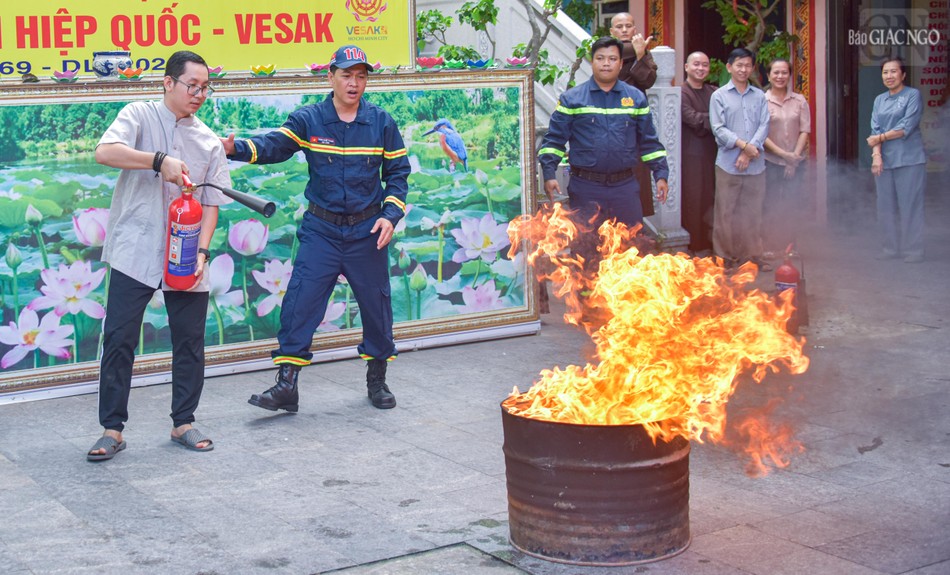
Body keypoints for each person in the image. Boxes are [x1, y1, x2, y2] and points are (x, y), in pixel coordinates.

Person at [221, 45, 410, 411]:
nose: (354, 83)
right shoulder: (310, 119)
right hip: (321, 230)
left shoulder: (382, 123)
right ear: (331, 77)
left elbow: (399, 174)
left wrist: (390, 214)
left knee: (376, 306)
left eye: (361, 76)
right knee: (300, 302)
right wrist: (236, 148)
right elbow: (275, 145)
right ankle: (286, 385)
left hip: (367, 231)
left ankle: (377, 379)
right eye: (346, 75)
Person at [87, 50, 231, 461]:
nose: (199, 94)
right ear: (168, 83)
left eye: (206, 88)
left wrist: (203, 250)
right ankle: (112, 429)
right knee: (119, 338)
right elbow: (105, 151)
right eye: (192, 86)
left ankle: (183, 421)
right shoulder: (139, 115)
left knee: (189, 340)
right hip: (136, 246)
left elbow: (212, 202)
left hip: (186, 252)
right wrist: (159, 161)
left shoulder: (207, 140)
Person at [539, 36, 669, 270]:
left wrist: (661, 173)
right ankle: (586, 303)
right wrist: (549, 174)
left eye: (612, 59)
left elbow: (649, 142)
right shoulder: (572, 99)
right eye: (600, 58)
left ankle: (627, 302)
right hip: (586, 187)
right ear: (592, 62)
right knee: (586, 250)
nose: (606, 63)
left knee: (630, 247)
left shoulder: (635, 98)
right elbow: (554, 140)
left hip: (625, 188)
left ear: (621, 64)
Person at [710, 47, 772, 271]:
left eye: (748, 65)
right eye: (739, 65)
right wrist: (743, 146)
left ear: (752, 68)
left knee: (753, 212)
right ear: (729, 67)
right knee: (725, 213)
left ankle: (752, 256)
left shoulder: (760, 96)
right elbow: (718, 128)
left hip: (756, 164)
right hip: (727, 164)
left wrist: (749, 150)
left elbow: (765, 125)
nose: (744, 69)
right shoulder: (719, 96)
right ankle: (725, 258)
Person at [869, 56, 926, 263]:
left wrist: (880, 138)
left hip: (910, 159)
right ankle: (890, 248)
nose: (889, 76)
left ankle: (913, 250)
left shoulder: (913, 95)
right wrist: (876, 155)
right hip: (884, 160)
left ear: (903, 74)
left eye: (893, 71)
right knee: (884, 205)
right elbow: (874, 129)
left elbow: (906, 126)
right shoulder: (879, 100)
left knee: (910, 205)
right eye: (885, 72)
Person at [609, 11, 660, 219]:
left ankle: (636, 229)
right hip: (611, 124)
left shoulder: (644, 52)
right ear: (612, 31)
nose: (624, 30)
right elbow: (614, 82)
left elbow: (648, 81)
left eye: (628, 26)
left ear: (634, 29)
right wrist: (638, 54)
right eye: (619, 27)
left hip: (636, 126)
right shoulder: (607, 53)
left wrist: (640, 57)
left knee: (637, 174)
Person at [762, 58, 811, 257]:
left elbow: (805, 130)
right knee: (770, 203)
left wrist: (794, 158)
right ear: (768, 76)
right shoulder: (762, 101)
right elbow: (761, 134)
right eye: (776, 72)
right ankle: (770, 246)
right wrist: (783, 155)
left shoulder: (799, 100)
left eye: (784, 72)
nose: (780, 76)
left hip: (797, 161)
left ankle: (792, 246)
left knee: (793, 203)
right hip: (770, 161)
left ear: (790, 75)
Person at [680, 51, 718, 256]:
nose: (701, 68)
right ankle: (694, 245)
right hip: (691, 155)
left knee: (711, 197)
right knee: (694, 198)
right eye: (696, 64)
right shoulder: (680, 93)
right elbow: (692, 118)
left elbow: (725, 116)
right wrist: (716, 121)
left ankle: (710, 244)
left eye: (705, 65)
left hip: (713, 153)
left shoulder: (713, 92)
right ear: (686, 67)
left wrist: (711, 121)